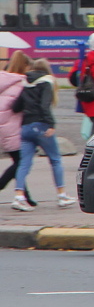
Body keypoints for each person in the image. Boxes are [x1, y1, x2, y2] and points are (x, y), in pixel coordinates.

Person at [11, 58, 72, 211]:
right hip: (41, 125)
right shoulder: (47, 82)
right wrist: (50, 124)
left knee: (24, 163)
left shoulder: (25, 84)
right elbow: (45, 105)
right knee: (55, 159)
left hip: (25, 127)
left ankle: (18, 196)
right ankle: (62, 195)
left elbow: (16, 107)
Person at [0, 52, 33, 207]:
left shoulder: (5, 80)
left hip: (3, 126)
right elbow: (18, 106)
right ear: (24, 66)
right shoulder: (21, 84)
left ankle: (25, 196)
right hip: (12, 126)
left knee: (19, 161)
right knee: (21, 162)